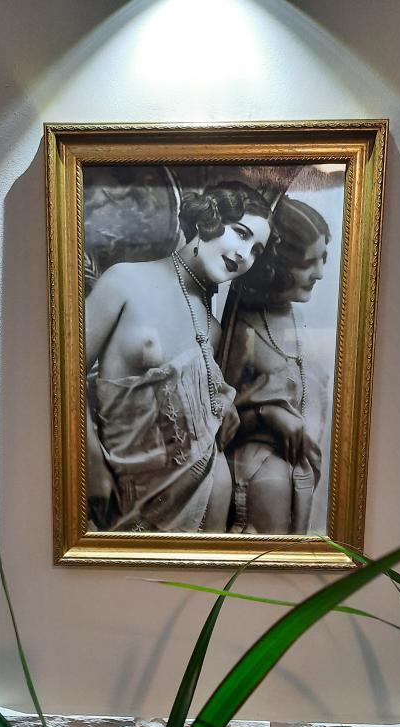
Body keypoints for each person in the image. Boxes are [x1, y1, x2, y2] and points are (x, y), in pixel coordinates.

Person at [85, 181, 272, 532]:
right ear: (207, 220)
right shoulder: (125, 281)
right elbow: (60, 379)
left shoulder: (212, 330)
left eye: (256, 251)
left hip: (209, 513)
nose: (245, 254)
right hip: (130, 503)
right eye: (241, 233)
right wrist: (92, 465)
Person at [220, 196, 331, 534]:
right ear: (276, 266)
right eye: (308, 263)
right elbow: (217, 422)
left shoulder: (301, 318)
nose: (320, 273)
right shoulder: (243, 329)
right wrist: (266, 413)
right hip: (261, 479)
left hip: (303, 476)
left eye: (324, 258)